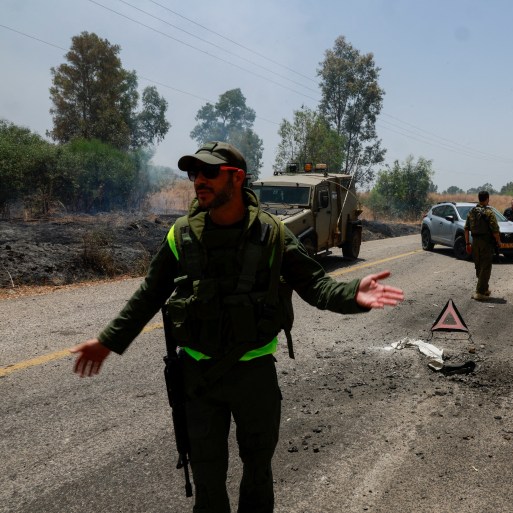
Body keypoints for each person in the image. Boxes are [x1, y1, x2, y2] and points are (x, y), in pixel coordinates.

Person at [69, 141, 405, 512]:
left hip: (254, 376)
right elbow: (149, 294)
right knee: (208, 483)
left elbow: (316, 286)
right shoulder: (181, 234)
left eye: (209, 172)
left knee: (258, 474)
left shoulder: (274, 234)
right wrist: (108, 341)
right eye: (194, 173)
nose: (199, 180)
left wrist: (352, 296)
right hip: (198, 377)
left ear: (237, 177)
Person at [464, 190, 502, 301]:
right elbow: (495, 230)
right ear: (487, 199)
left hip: (475, 242)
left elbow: (466, 229)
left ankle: (484, 289)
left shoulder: (471, 212)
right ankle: (479, 292)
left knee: (479, 265)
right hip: (486, 242)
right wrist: (499, 241)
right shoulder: (489, 212)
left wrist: (467, 243)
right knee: (486, 267)